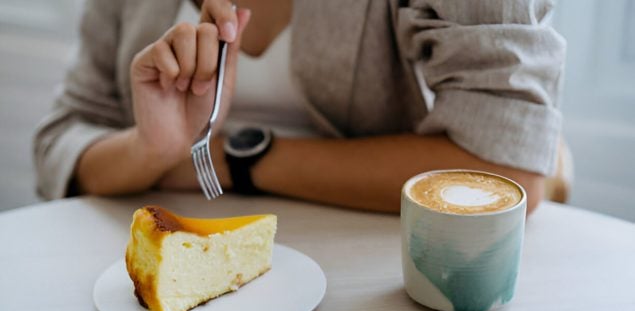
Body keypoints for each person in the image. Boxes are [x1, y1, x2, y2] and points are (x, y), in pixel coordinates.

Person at [34, 0, 566, 214]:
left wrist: (231, 159)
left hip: (368, 272)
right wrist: (150, 149)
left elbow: (505, 169)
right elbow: (61, 141)